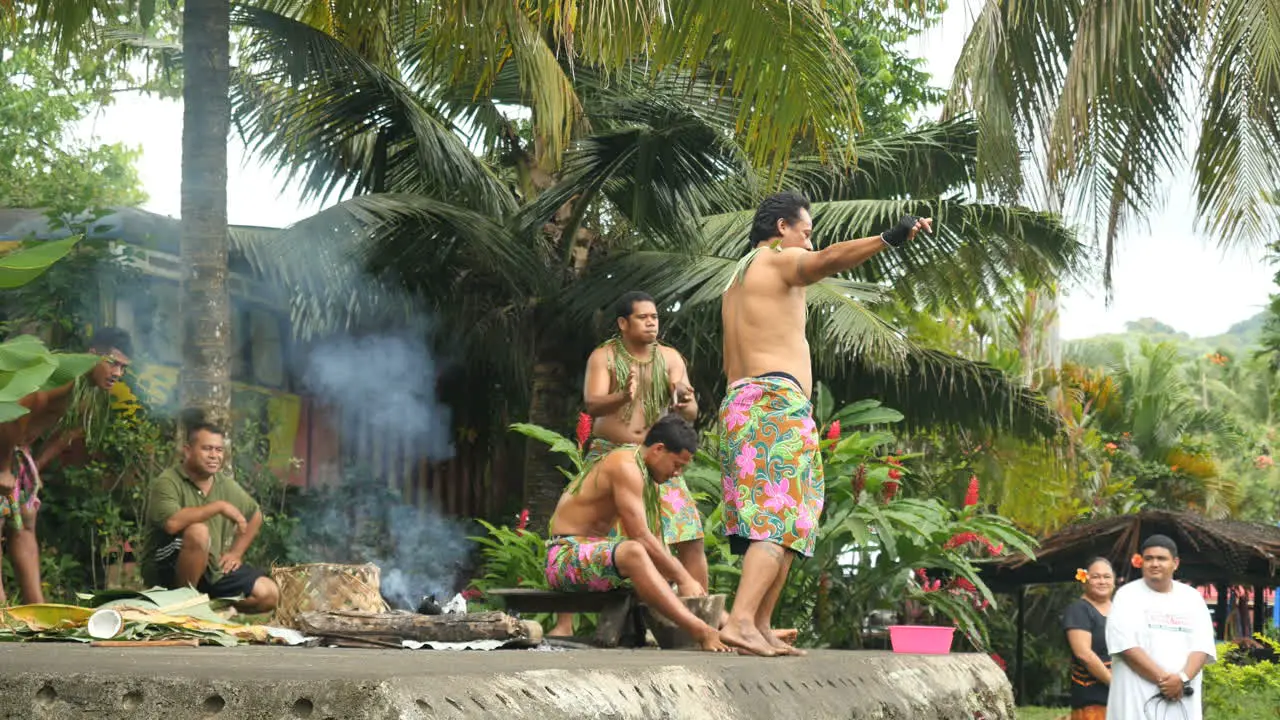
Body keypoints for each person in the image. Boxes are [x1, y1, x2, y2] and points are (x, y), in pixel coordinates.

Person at [718, 191, 930, 657]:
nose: (809, 246)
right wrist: (889, 238)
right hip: (772, 404)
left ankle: (759, 623)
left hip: (746, 403)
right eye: (806, 234)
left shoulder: (737, 278)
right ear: (782, 230)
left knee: (793, 518)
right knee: (778, 518)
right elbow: (829, 261)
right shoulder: (776, 260)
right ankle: (739, 621)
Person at [548, 292, 704, 637]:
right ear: (623, 323)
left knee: (689, 533)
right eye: (643, 317)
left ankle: (699, 612)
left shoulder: (670, 358)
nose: (652, 322)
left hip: (658, 460)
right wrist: (623, 396)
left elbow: (691, 413)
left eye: (655, 317)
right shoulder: (603, 357)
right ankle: (564, 623)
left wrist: (685, 402)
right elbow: (592, 404)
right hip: (610, 452)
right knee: (591, 526)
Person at [545, 415, 730, 653]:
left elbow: (653, 546)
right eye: (677, 465)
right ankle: (700, 630)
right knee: (636, 552)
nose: (678, 474)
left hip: (597, 560)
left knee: (660, 561)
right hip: (563, 559)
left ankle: (732, 629)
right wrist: (683, 577)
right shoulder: (625, 465)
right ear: (658, 449)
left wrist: (682, 578)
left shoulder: (643, 470)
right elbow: (640, 536)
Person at [0, 327, 133, 604]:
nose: (118, 373)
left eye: (124, 367)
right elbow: (17, 407)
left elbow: (69, 433)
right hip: (4, 446)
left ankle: (36, 606)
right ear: (93, 354)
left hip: (16, 452)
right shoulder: (64, 376)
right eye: (113, 363)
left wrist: (35, 464)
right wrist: (4, 468)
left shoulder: (86, 390)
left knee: (25, 522)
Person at [141, 413, 279, 612]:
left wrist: (236, 553)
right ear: (187, 451)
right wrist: (219, 507)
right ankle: (182, 607)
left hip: (210, 569)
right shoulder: (168, 481)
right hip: (166, 570)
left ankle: (208, 608)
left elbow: (255, 515)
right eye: (206, 449)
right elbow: (172, 524)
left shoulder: (224, 484)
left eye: (219, 450)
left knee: (269, 594)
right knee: (198, 532)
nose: (214, 455)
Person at [1106, 535, 1216, 720]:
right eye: (1148, 558)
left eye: (1161, 558)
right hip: (1135, 702)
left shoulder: (1192, 598)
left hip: (1181, 701)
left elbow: (1202, 647)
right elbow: (1126, 647)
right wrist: (1166, 682)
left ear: (1175, 563)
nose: (1154, 564)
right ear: (1141, 562)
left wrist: (1181, 679)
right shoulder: (1126, 596)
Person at [1063, 557, 1116, 719]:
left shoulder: (1121, 610)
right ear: (1085, 580)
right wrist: (1115, 684)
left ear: (1114, 581)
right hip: (1093, 701)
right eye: (1096, 576)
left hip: (1122, 699)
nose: (1102, 581)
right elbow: (1084, 654)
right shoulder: (1079, 610)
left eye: (1107, 577)